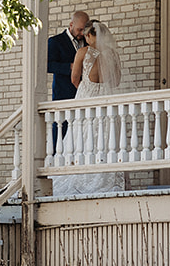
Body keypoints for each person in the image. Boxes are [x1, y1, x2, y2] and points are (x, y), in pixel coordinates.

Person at [51, 20, 127, 197]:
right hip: (106, 99)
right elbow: (116, 81)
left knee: (81, 138)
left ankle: (80, 178)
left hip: (87, 97)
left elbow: (74, 78)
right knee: (107, 138)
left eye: (86, 35)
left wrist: (86, 89)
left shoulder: (83, 52)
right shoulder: (113, 55)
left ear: (89, 35)